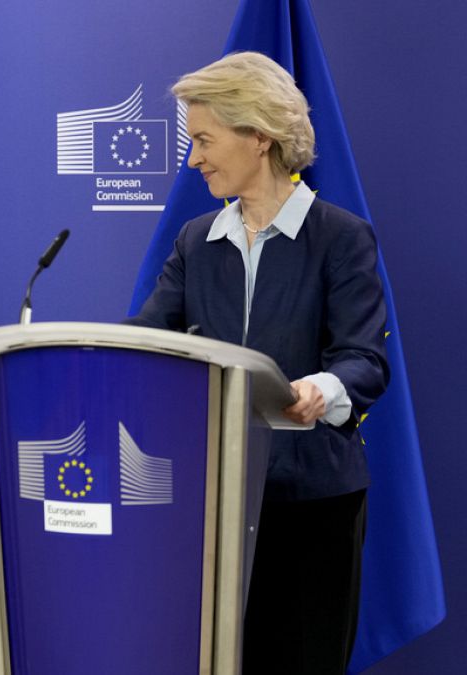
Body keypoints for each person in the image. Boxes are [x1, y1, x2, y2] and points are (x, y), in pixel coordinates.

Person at [127, 52, 389, 674]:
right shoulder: (196, 240)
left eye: (204, 140)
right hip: (213, 501)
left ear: (259, 136)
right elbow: (146, 339)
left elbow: (364, 360)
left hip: (313, 503)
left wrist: (321, 390)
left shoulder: (341, 237)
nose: (194, 159)